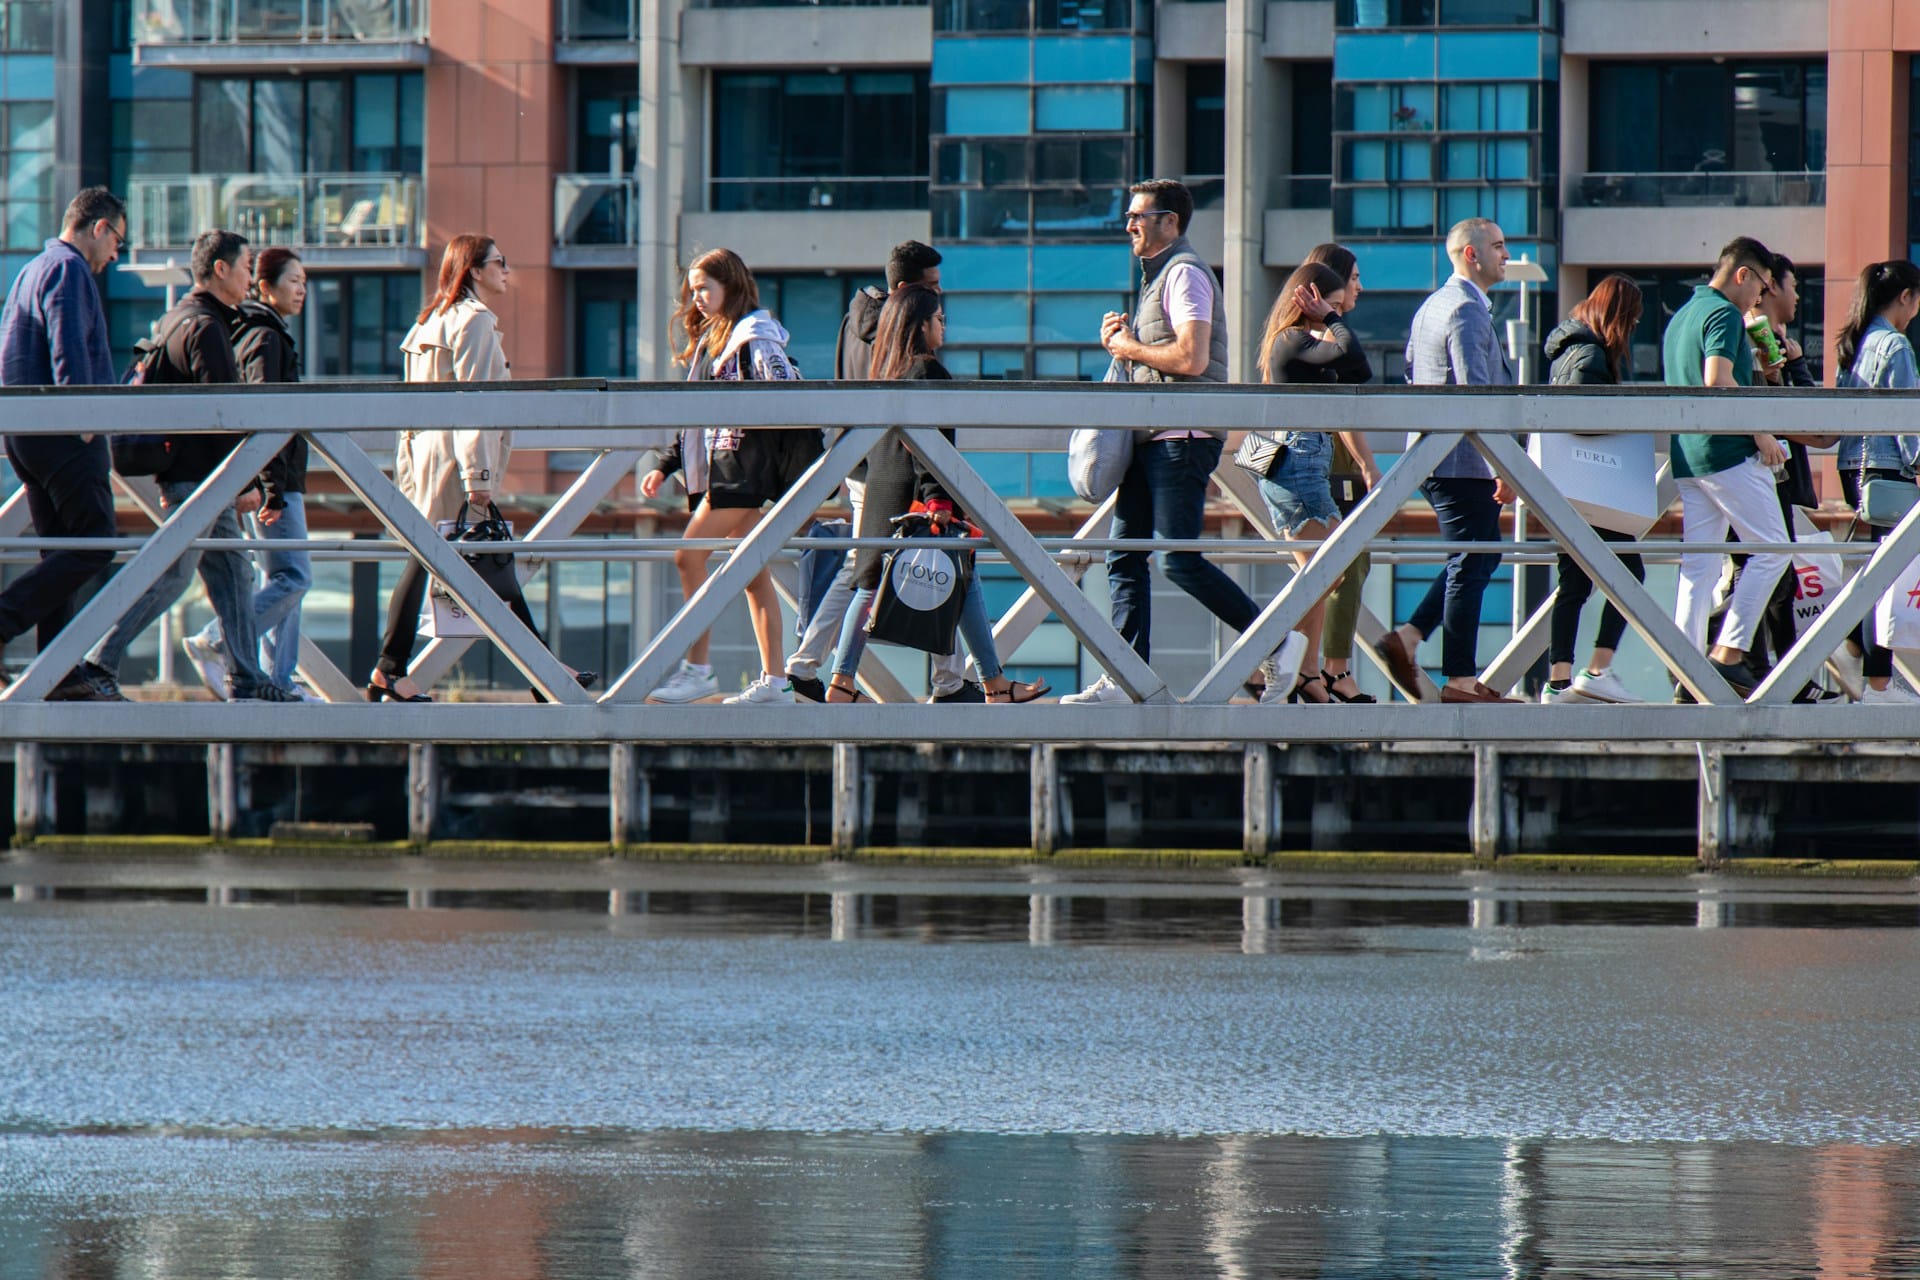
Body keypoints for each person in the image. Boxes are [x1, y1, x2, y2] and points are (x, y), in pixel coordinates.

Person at [1062, 178, 1305, 705]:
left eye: (1139, 216)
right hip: (1152, 438)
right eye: (1128, 216)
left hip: (1182, 437)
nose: (1129, 224)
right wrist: (1125, 346)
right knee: (1123, 557)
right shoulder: (1156, 280)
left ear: (1171, 222)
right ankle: (1127, 682)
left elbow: (1193, 359)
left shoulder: (1185, 274)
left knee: (1178, 559)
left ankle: (1279, 642)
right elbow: (1168, 353)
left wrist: (1129, 345)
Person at [370, 234, 592, 702]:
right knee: (474, 561)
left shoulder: (430, 320)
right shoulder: (473, 322)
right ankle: (393, 668)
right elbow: (476, 405)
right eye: (500, 261)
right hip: (455, 462)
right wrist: (480, 478)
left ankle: (543, 671)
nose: (507, 270)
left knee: (464, 561)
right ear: (474, 270)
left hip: (427, 457)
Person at [82, 229, 298, 702]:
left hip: (192, 479)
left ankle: (245, 677)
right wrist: (249, 482)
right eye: (245, 268)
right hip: (203, 483)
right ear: (220, 269)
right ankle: (98, 660)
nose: (249, 278)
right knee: (177, 576)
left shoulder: (178, 318)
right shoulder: (206, 327)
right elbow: (224, 416)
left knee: (232, 574)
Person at [822, 284, 1049, 704]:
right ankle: (994, 685)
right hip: (919, 498)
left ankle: (841, 683)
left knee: (873, 585)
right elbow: (929, 444)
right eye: (939, 318)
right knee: (957, 577)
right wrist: (938, 500)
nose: (944, 325)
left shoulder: (886, 371)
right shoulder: (926, 371)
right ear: (920, 325)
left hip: (883, 495)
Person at [784, 241, 979, 702]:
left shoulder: (854, 320)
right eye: (931, 288)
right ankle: (940, 680)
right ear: (907, 292)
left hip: (863, 458)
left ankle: (817, 668)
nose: (939, 297)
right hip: (888, 467)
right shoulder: (902, 335)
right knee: (880, 568)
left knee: (872, 567)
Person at [642, 247, 819, 706]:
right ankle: (776, 682)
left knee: (687, 558)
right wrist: (665, 466)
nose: (696, 297)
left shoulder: (755, 335)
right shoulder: (716, 337)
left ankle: (699, 670)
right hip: (728, 470)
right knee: (752, 574)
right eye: (693, 289)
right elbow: (696, 417)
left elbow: (787, 398)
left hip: (741, 472)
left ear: (731, 285)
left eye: (705, 287)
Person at [1382, 217, 1519, 705]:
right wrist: (1503, 465)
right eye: (1499, 247)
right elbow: (1474, 393)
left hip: (1441, 458)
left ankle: (1411, 637)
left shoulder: (1433, 306)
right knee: (1473, 560)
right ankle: (1459, 680)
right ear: (1471, 255)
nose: (1507, 255)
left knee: (1481, 555)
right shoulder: (1465, 309)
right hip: (1460, 461)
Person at [0, 187, 126, 699]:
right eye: (117, 240)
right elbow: (68, 342)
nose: (116, 255)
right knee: (95, 541)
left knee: (61, 551)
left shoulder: (33, 268)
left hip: (27, 433)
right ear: (98, 228)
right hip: (63, 433)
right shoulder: (69, 270)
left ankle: (57, 672)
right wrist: (86, 416)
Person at [181, 247, 314, 700]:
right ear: (265, 286)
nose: (302, 289)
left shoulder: (261, 332)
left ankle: (279, 681)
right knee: (294, 578)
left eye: (304, 281)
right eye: (293, 280)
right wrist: (272, 488)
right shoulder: (264, 337)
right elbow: (262, 413)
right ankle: (217, 639)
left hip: (277, 477)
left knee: (283, 580)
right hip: (276, 481)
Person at [1248, 260, 1381, 704]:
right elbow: (1346, 353)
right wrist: (1331, 319)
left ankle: (1304, 673)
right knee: (1327, 572)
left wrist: (1329, 319)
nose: (1340, 309)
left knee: (1322, 574)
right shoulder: (1290, 340)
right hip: (1296, 463)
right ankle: (1268, 653)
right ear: (1313, 299)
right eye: (1333, 300)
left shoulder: (1304, 340)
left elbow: (1359, 370)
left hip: (1308, 462)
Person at [1664, 235, 1787, 698]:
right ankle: (1728, 655)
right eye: (1762, 286)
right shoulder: (1722, 313)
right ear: (1743, 274)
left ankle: (1684, 670)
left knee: (1699, 566)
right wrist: (1759, 430)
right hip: (1726, 452)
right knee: (1775, 548)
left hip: (1688, 456)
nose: (1762, 298)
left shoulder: (1682, 317)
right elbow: (1717, 379)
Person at [1538, 273, 1647, 705]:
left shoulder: (1567, 350)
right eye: (1633, 317)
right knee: (1630, 574)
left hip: (1568, 488)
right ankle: (1597, 670)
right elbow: (1581, 419)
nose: (1635, 326)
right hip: (1593, 487)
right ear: (1618, 314)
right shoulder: (1590, 355)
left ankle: (1558, 682)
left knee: (1574, 584)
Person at [1835, 259, 1920, 704]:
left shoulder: (1855, 341)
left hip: (1855, 468)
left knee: (1874, 570)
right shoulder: (1896, 345)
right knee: (1888, 575)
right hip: (1888, 470)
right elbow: (1908, 420)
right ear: (1906, 297)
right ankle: (1880, 686)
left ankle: (1851, 642)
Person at [1301, 242, 1381, 704]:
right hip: (1329, 459)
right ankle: (1331, 670)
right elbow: (1343, 407)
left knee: (1336, 565)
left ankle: (1315, 668)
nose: (1360, 287)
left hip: (1322, 456)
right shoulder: (1326, 334)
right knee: (1345, 563)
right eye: (1353, 279)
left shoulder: (1310, 331)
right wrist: (1368, 463)